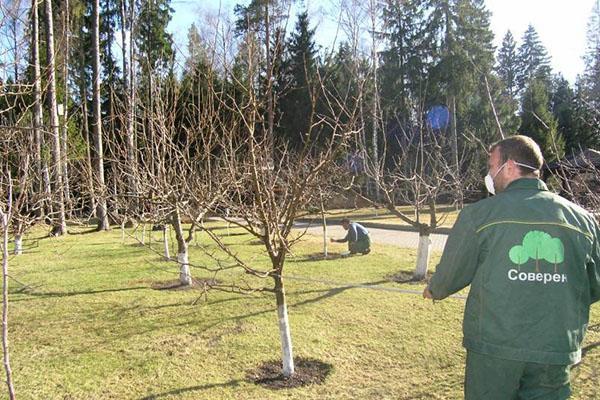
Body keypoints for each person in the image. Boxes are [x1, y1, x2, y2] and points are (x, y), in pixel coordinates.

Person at [423, 135, 600, 399]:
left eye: (491, 165)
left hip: (494, 349)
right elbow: (594, 287)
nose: (489, 175)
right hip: (556, 348)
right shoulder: (584, 221)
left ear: (509, 166)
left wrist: (434, 289)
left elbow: (450, 274)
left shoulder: (479, 215)